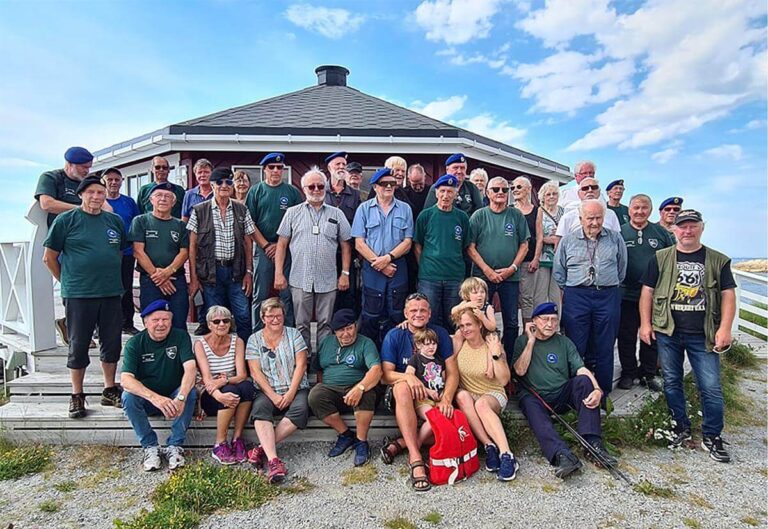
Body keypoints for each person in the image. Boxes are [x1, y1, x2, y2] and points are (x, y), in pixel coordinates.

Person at [639, 209, 736, 462]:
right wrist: (645, 324)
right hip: (668, 330)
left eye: (693, 226)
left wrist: (725, 328)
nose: (687, 231)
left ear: (702, 227)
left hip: (703, 334)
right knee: (672, 382)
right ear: (675, 230)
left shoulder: (718, 260)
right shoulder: (660, 258)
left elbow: (728, 294)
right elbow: (647, 292)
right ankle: (680, 427)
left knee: (711, 387)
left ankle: (712, 436)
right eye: (682, 226)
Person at [42, 175, 128, 418]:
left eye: (100, 193)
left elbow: (118, 251)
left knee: (112, 343)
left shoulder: (114, 221)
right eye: (91, 192)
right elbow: (49, 257)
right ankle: (77, 395)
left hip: (111, 292)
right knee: (78, 344)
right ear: (81, 195)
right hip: (79, 294)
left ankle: (109, 389)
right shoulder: (66, 220)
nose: (96, 197)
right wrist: (67, 282)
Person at [513, 302, 616, 479]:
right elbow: (519, 370)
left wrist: (598, 389)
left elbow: (581, 369)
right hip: (535, 396)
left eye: (554, 320)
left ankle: (593, 444)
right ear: (534, 322)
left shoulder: (564, 342)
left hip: (561, 393)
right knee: (530, 405)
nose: (550, 324)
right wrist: (531, 341)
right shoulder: (522, 341)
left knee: (584, 381)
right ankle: (561, 455)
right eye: (545, 319)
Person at [380, 293, 456, 491]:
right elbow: (385, 375)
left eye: (423, 310)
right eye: (413, 310)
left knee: (448, 427)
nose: (418, 314)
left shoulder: (439, 334)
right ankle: (415, 458)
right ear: (405, 313)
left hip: (434, 396)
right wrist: (409, 377)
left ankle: (400, 443)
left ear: (430, 313)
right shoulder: (395, 335)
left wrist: (446, 399)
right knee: (403, 387)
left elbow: (453, 372)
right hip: (401, 397)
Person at [553, 199, 627, 396]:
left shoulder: (615, 238)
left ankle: (602, 391)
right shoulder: (568, 240)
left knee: (605, 344)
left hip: (607, 294)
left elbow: (622, 269)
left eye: (598, 218)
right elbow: (559, 271)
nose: (594, 222)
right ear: (580, 219)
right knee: (576, 345)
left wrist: (605, 281)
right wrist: (574, 289)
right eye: (590, 218)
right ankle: (577, 390)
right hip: (577, 295)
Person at [275, 168, 352, 354]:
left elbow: (346, 246)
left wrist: (345, 273)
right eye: (312, 186)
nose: (316, 190)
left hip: (328, 279)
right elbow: (281, 245)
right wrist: (278, 273)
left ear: (325, 187)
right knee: (301, 324)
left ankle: (322, 361)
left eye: (320, 186)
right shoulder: (292, 213)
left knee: (326, 323)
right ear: (303, 188)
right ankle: (304, 360)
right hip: (300, 279)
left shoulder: (337, 214)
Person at [120, 300, 198, 471]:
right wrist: (155, 398)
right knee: (128, 396)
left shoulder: (180, 336)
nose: (161, 324)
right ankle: (150, 446)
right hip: (149, 399)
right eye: (156, 320)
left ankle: (175, 446)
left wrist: (181, 397)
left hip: (174, 397)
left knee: (190, 391)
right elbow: (126, 379)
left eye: (166, 319)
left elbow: (191, 368)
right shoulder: (135, 343)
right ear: (145, 322)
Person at [35, 146, 101, 345]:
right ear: (69, 164)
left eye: (89, 168)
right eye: (83, 167)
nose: (86, 171)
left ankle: (71, 324)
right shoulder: (51, 178)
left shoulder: (88, 184)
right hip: (64, 243)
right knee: (73, 285)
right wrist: (81, 209)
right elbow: (46, 204)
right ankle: (77, 332)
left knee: (90, 286)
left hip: (89, 242)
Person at [245, 298, 310, 483]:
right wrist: (273, 395)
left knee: (301, 409)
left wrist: (290, 392)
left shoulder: (294, 334)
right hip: (267, 390)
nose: (275, 319)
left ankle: (259, 448)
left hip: (295, 387)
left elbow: (301, 365)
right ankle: (273, 460)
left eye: (279, 315)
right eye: (271, 316)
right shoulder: (254, 339)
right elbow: (255, 372)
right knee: (260, 411)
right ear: (263, 318)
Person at [187, 167, 255, 342]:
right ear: (212, 185)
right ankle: (219, 357)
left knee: (243, 316)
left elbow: (248, 242)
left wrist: (248, 272)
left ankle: (246, 358)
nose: (224, 185)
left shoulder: (241, 209)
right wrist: (194, 277)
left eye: (228, 182)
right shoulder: (199, 210)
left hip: (237, 272)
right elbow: (192, 246)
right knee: (216, 318)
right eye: (220, 182)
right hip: (211, 273)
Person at [308, 309, 382, 467]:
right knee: (315, 395)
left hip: (357, 387)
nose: (346, 333)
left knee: (368, 392)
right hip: (332, 389)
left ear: (356, 326)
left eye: (349, 328)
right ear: (334, 331)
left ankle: (362, 441)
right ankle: (345, 434)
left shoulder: (365, 343)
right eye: (341, 330)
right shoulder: (326, 343)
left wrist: (360, 387)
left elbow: (376, 370)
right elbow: (318, 369)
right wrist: (324, 385)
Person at [617, 194, 674, 391]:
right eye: (636, 207)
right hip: (626, 294)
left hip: (654, 296)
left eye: (644, 208)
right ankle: (628, 372)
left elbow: (671, 262)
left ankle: (648, 373)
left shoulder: (660, 233)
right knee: (626, 336)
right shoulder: (620, 232)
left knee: (651, 335)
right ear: (629, 210)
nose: (640, 211)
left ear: (650, 210)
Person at [452, 308, 517, 481]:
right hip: (470, 394)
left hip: (492, 393)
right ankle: (489, 446)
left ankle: (506, 454)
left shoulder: (492, 344)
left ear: (479, 324)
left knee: (481, 404)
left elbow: (503, 380)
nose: (465, 329)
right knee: (461, 396)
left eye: (469, 324)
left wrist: (496, 355)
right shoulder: (459, 342)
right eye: (462, 326)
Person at [352, 167, 414, 346]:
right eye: (384, 184)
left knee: (396, 313)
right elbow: (359, 243)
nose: (388, 186)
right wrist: (378, 263)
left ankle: (395, 355)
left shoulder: (405, 209)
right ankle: (371, 357)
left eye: (392, 183)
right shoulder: (364, 209)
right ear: (375, 187)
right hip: (372, 268)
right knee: (371, 314)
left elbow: (408, 242)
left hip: (397, 266)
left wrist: (387, 259)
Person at [468, 176, 529, 352]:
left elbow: (524, 245)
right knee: (480, 319)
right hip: (482, 278)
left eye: (505, 190)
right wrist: (487, 271)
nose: (501, 192)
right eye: (496, 189)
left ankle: (509, 362)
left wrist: (512, 269)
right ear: (487, 193)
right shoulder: (479, 215)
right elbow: (470, 248)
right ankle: (484, 358)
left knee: (511, 321)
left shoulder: (516, 215)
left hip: (510, 278)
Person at [246, 153, 302, 331]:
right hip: (263, 248)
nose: (276, 170)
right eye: (272, 167)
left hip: (286, 248)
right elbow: (249, 223)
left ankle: (288, 333)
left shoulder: (292, 192)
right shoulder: (256, 191)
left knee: (287, 294)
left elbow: (299, 222)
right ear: (265, 169)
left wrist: (280, 245)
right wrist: (266, 245)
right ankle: (256, 335)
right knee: (260, 294)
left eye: (280, 167)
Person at [194, 305, 254, 465]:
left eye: (226, 321)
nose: (222, 324)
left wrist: (223, 380)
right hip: (210, 395)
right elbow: (207, 380)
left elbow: (242, 375)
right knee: (231, 390)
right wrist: (220, 395)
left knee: (247, 387)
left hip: (231, 387)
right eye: (217, 321)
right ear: (209, 325)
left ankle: (237, 439)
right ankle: (219, 443)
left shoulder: (237, 341)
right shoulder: (200, 345)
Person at [130, 182, 190, 330]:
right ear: (151, 200)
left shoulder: (180, 225)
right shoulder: (141, 221)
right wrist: (158, 276)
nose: (163, 199)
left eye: (168, 196)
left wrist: (168, 271)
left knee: (179, 323)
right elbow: (138, 251)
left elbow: (184, 252)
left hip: (176, 280)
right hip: (150, 281)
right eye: (159, 196)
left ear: (174, 202)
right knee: (153, 323)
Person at [414, 174, 470, 331]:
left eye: (450, 192)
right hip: (429, 278)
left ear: (455, 193)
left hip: (454, 277)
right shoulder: (425, 216)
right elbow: (417, 245)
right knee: (428, 319)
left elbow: (465, 246)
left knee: (454, 320)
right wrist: (425, 265)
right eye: (443, 191)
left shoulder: (462, 217)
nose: (446, 195)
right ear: (436, 192)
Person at [102, 168, 141, 335]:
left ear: (121, 181)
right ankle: (101, 326)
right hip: (104, 254)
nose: (113, 182)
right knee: (105, 290)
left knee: (126, 289)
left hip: (126, 253)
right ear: (104, 181)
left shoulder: (129, 202)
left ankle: (127, 323)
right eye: (109, 179)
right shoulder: (99, 201)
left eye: (116, 179)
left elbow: (137, 224)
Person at [325, 166, 360, 313]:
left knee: (347, 295)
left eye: (343, 164)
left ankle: (346, 331)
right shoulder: (319, 191)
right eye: (337, 164)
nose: (341, 167)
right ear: (329, 168)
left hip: (348, 253)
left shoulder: (357, 195)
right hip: (325, 255)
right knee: (326, 297)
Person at [405, 328, 446, 449]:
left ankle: (439, 444)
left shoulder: (439, 360)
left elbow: (444, 380)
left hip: (438, 399)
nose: (431, 347)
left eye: (434, 343)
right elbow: (409, 375)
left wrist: (443, 394)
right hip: (422, 399)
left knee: (443, 419)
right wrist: (427, 391)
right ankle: (418, 443)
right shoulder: (416, 358)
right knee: (432, 419)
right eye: (427, 344)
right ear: (418, 345)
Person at [512, 176, 542, 326]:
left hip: (528, 261)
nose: (515, 190)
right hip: (511, 262)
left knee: (527, 298)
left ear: (529, 189)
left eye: (519, 187)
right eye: (513, 188)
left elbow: (539, 236)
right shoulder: (510, 210)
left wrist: (536, 258)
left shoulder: (537, 211)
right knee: (513, 298)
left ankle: (527, 332)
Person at [555, 178, 622, 236]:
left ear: (599, 192)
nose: (590, 190)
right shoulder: (568, 217)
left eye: (594, 187)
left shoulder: (611, 214)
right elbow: (560, 243)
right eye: (585, 188)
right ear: (579, 194)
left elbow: (617, 239)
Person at [535, 181, 564, 312]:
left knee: (556, 295)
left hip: (559, 258)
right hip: (542, 257)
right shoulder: (539, 211)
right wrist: (550, 239)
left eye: (554, 194)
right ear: (543, 197)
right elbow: (537, 235)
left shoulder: (563, 212)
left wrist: (559, 237)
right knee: (540, 294)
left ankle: (556, 326)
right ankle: (539, 324)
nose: (551, 196)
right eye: (548, 194)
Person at [403, 163, 430, 293]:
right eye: (414, 183)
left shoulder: (433, 192)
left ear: (425, 176)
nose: (418, 186)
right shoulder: (403, 193)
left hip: (427, 242)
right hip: (408, 242)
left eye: (420, 182)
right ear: (408, 178)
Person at [181, 158, 214, 222]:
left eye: (206, 172)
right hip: (195, 231)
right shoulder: (189, 195)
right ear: (195, 174)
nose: (203, 175)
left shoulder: (218, 193)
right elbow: (184, 219)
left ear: (212, 174)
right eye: (199, 172)